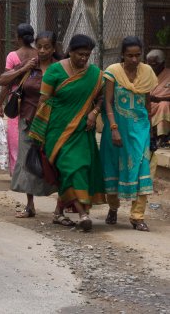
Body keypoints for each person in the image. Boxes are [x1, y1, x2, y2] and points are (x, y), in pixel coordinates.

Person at [28, 34, 106, 232]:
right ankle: (82, 214)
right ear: (70, 51)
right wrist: (38, 131)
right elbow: (43, 101)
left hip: (82, 130)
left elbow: (102, 98)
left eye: (87, 55)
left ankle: (58, 213)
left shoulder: (95, 74)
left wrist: (94, 113)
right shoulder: (55, 71)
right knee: (70, 168)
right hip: (57, 130)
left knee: (80, 168)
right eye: (80, 54)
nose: (83, 58)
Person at [0, 31, 60, 221]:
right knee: (26, 162)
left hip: (53, 123)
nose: (42, 50)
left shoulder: (60, 68)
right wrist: (22, 70)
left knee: (55, 163)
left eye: (47, 47)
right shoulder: (29, 66)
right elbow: (2, 80)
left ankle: (59, 209)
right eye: (39, 46)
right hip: (27, 120)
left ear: (54, 48)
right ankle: (29, 205)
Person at [101, 36, 159, 232]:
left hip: (140, 129)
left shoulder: (147, 72)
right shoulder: (113, 72)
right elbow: (107, 101)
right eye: (129, 56)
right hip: (117, 128)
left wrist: (151, 131)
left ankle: (137, 216)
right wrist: (114, 128)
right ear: (122, 55)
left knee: (143, 168)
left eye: (137, 55)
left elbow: (147, 102)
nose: (134, 60)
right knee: (114, 167)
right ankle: (113, 208)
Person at [0, 24, 37, 174]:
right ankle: (32, 171)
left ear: (18, 38)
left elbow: (5, 83)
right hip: (35, 98)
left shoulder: (12, 56)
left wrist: (0, 104)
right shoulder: (39, 53)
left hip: (17, 99)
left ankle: (16, 172)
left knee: (15, 135)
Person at [148, 49, 170, 147]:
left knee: (164, 105)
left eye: (154, 64)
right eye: (149, 64)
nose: (151, 67)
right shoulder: (145, 74)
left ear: (163, 63)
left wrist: (158, 99)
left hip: (164, 105)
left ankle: (162, 137)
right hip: (148, 105)